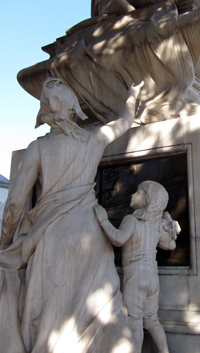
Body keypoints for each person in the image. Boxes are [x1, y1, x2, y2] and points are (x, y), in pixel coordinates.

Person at [0, 77, 143, 353]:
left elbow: (14, 206)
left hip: (52, 237)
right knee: (98, 312)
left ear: (45, 111)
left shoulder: (38, 148)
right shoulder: (94, 139)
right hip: (92, 237)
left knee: (51, 318)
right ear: (72, 109)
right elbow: (125, 121)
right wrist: (132, 96)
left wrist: (4, 241)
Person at [94, 181, 181, 353]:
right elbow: (170, 246)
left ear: (146, 199)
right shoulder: (156, 225)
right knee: (152, 320)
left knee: (134, 320)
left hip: (135, 276)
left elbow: (118, 239)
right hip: (152, 277)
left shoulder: (131, 220)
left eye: (137, 192)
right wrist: (169, 225)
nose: (132, 195)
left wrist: (103, 221)